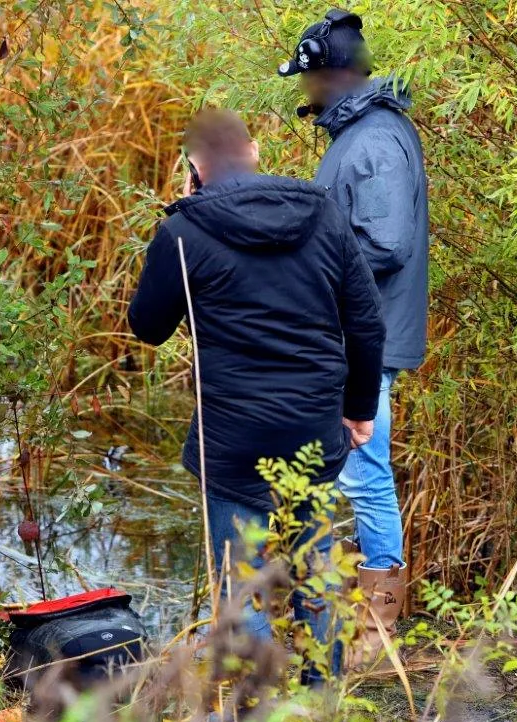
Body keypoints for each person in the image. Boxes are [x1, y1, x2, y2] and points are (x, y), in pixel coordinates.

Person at [127, 108, 385, 681]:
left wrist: (182, 224)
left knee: (239, 586)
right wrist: (359, 410)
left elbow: (147, 327)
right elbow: (366, 322)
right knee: (316, 570)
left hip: (233, 438)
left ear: (194, 167)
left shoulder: (183, 233)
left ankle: (261, 708)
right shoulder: (323, 214)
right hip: (312, 426)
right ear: (255, 151)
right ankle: (322, 699)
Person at [278, 9, 429, 666]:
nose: (304, 90)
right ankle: (343, 615)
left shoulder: (373, 141)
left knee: (365, 476)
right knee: (349, 472)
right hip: (353, 333)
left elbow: (386, 244)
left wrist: (309, 266)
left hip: (365, 338)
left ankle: (377, 628)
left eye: (308, 78)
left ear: (333, 75)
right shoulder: (363, 132)